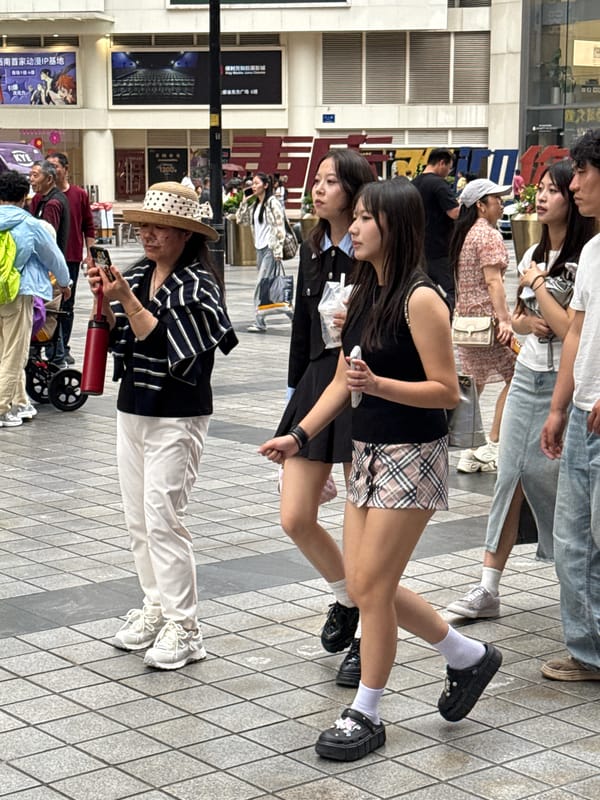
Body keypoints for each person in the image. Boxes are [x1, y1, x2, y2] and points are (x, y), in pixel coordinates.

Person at [259, 179, 502, 762]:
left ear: (394, 225)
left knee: (369, 587)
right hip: (364, 454)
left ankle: (366, 710)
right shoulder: (368, 289)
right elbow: (345, 378)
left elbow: (447, 392)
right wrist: (298, 436)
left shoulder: (421, 297)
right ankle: (468, 657)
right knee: (371, 584)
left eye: (368, 217)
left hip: (412, 457)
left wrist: (381, 385)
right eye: (358, 216)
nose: (357, 227)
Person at [87, 181, 238, 669]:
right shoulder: (138, 273)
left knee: (162, 517)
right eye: (144, 226)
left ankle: (185, 625)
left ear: (183, 234)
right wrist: (104, 301)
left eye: (159, 227)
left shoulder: (199, 285)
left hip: (179, 411)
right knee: (137, 519)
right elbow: (121, 342)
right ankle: (156, 605)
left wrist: (127, 301)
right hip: (133, 406)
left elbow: (168, 344)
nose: (148, 235)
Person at [446, 161, 596, 619]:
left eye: (554, 190)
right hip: (530, 370)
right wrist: (530, 318)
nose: (544, 197)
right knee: (510, 473)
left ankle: (575, 579)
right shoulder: (531, 251)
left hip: (565, 382)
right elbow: (519, 317)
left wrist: (540, 295)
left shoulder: (585, 255)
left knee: (557, 485)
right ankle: (487, 586)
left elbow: (574, 328)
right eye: (544, 189)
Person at [275, 149, 375, 687]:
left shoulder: (372, 251)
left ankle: (364, 639)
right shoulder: (313, 249)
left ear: (357, 191)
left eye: (331, 182)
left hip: (363, 384)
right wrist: (294, 402)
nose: (318, 190)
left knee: (362, 522)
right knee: (295, 515)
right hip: (318, 381)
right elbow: (299, 329)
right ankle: (346, 599)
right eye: (316, 181)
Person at [540, 128, 600, 682]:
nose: (573, 183)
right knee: (573, 541)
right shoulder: (594, 250)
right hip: (583, 417)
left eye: (581, 172)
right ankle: (589, 652)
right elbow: (576, 336)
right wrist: (559, 408)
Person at [450, 178, 516, 473]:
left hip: (466, 325)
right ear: (481, 205)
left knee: (473, 386)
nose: (501, 203)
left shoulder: (464, 235)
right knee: (518, 376)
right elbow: (493, 281)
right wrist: (505, 319)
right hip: (490, 325)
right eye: (496, 199)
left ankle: (470, 449)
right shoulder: (487, 235)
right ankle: (492, 443)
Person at [0, 170, 70, 427]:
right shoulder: (30, 225)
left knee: (3, 352)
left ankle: (18, 403)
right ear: (24, 197)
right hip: (16, 294)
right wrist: (64, 284)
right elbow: (54, 257)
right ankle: (1, 408)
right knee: (15, 353)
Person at [46, 152, 96, 365]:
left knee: (67, 304)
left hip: (71, 257)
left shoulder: (79, 194)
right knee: (46, 305)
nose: (51, 169)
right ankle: (49, 346)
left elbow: (88, 225)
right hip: (47, 260)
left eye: (55, 166)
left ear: (66, 169)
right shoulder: (43, 196)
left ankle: (62, 347)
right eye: (48, 166)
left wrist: (90, 253)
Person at [29, 160, 71, 367]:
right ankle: (57, 356)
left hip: (50, 270)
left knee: (50, 313)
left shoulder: (53, 203)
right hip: (52, 269)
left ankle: (58, 357)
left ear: (49, 178)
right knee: (51, 312)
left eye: (36, 175)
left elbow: (47, 240)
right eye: (31, 175)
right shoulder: (44, 200)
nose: (31, 179)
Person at [236, 172, 287, 333]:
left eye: (257, 183)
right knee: (267, 286)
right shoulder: (255, 206)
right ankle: (290, 312)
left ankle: (259, 321)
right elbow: (240, 220)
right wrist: (244, 202)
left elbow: (280, 227)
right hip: (259, 249)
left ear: (266, 185)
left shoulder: (272, 203)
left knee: (260, 284)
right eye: (252, 183)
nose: (253, 186)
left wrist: (278, 250)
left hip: (270, 249)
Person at [412, 148, 460, 309]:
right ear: (441, 163)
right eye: (449, 167)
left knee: (421, 289)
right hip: (439, 249)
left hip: (418, 249)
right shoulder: (439, 184)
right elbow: (454, 212)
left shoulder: (414, 183)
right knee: (448, 291)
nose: (449, 171)